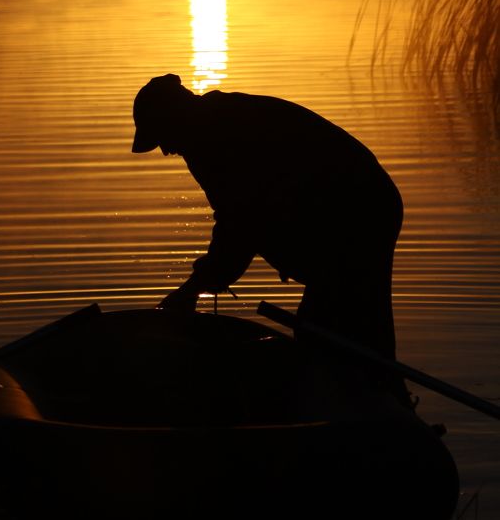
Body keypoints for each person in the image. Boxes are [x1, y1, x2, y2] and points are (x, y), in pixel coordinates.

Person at [131, 73, 404, 362]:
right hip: (358, 200)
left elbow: (239, 224)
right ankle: (379, 388)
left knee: (326, 323)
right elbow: (240, 218)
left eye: (161, 136)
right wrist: (204, 280)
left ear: (175, 118)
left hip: (359, 207)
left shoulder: (214, 136)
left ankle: (375, 394)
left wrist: (192, 289)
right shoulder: (207, 126)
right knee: (345, 319)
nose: (164, 150)